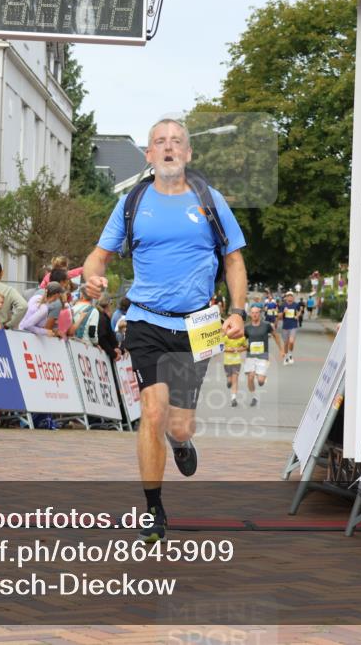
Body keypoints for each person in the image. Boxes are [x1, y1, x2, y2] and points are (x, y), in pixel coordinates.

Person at [82, 117, 248, 544]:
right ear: (149, 154)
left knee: (179, 425)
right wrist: (92, 278)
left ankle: (180, 442)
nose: (169, 147)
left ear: (188, 153)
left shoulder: (210, 200)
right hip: (146, 319)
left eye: (176, 141)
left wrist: (238, 311)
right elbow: (98, 257)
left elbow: (234, 261)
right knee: (152, 413)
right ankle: (154, 511)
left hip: (200, 324)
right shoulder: (133, 202)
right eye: (160, 141)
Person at [243, 305, 286, 405]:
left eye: (256, 313)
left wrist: (281, 350)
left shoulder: (266, 325)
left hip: (263, 356)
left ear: (260, 314)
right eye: (253, 313)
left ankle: (262, 377)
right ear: (250, 314)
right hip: (250, 356)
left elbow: (276, 336)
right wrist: (241, 347)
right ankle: (254, 397)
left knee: (260, 382)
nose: (254, 315)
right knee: (250, 377)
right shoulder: (247, 327)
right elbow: (242, 340)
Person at [223, 330, 246, 408]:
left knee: (235, 380)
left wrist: (238, 349)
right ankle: (228, 382)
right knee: (230, 381)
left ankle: (233, 398)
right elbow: (220, 348)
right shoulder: (226, 338)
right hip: (227, 362)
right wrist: (228, 349)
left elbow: (245, 347)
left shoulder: (242, 338)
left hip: (237, 362)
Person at [279, 291, 299, 365]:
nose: (290, 298)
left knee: (291, 341)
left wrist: (297, 316)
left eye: (291, 296)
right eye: (288, 296)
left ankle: (290, 354)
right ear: (286, 297)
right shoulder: (283, 305)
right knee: (286, 343)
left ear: (293, 297)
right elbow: (279, 317)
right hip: (285, 326)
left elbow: (299, 312)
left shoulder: (296, 305)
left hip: (293, 325)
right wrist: (284, 312)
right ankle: (286, 357)